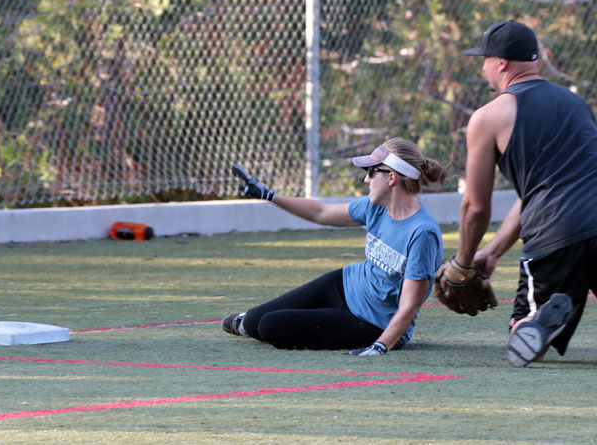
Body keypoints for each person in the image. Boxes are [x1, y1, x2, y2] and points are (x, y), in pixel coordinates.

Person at [452, 19, 597, 367]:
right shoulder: (574, 103)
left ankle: (536, 321)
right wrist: (493, 251)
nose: (483, 66)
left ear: (500, 63)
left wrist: (463, 262)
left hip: (556, 234)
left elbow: (475, 207)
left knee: (526, 344)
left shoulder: (489, 116)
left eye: (484, 58)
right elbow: (538, 191)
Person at [222, 138, 448, 355]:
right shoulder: (375, 207)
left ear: (391, 178)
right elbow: (322, 212)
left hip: (372, 323)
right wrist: (269, 195)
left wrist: (381, 345)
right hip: (344, 284)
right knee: (252, 322)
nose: (366, 180)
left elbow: (409, 305)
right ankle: (250, 322)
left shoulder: (422, 233)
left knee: (270, 325)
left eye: (371, 172)